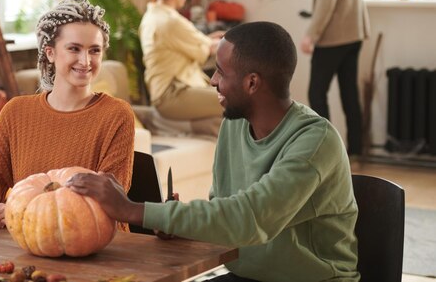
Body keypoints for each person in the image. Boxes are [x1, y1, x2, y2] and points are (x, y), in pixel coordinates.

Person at [67, 21, 359, 282]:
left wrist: (131, 210)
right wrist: (176, 223)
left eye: (220, 71)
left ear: (252, 82)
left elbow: (249, 219)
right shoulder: (234, 125)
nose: (212, 81)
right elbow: (223, 209)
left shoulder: (315, 142)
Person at [0, 0, 135, 229]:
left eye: (95, 50)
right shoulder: (16, 112)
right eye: (74, 48)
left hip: (101, 251)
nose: (85, 61)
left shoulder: (117, 115)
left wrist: (17, 210)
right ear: (50, 53)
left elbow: (104, 202)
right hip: (28, 246)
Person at [301, 0, 370, 156]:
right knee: (349, 93)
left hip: (334, 36)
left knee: (316, 93)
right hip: (354, 33)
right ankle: (355, 150)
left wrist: (312, 34)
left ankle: (326, 152)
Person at [139, 0, 224, 136]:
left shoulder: (150, 17)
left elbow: (196, 42)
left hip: (162, 92)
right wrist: (228, 40)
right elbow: (206, 48)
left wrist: (210, 42)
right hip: (173, 94)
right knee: (237, 100)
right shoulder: (171, 22)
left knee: (222, 118)